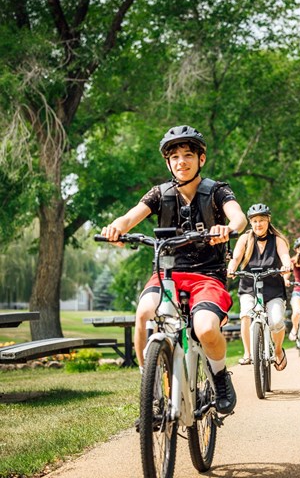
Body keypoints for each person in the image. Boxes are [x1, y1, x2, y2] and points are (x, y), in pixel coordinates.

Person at [100, 125, 247, 415]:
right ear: (168, 162)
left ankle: (219, 377)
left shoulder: (217, 191)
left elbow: (239, 217)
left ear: (201, 159)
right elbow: (131, 216)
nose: (182, 161)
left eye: (188, 155)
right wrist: (117, 227)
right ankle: (150, 387)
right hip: (167, 273)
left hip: (207, 276)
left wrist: (227, 228)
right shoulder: (159, 194)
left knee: (205, 328)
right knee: (143, 313)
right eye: (175, 156)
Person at [227, 204, 291, 370]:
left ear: (268, 221)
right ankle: (248, 353)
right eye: (255, 221)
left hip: (273, 287)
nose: (258, 224)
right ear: (250, 223)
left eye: (262, 220)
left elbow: (285, 257)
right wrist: (232, 268)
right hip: (249, 285)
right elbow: (235, 258)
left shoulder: (277, 240)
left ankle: (277, 351)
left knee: (276, 321)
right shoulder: (245, 239)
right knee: (246, 315)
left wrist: (286, 267)